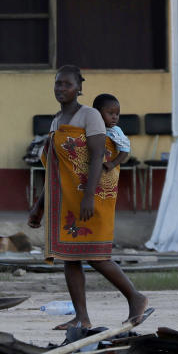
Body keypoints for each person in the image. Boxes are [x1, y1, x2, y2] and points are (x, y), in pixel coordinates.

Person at [28, 65, 152, 331]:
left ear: (79, 88)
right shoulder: (56, 121)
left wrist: (88, 196)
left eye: (67, 84)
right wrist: (39, 206)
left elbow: (97, 155)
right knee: (70, 258)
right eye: (58, 84)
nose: (61, 89)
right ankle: (81, 318)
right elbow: (53, 168)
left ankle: (135, 297)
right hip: (66, 199)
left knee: (97, 255)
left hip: (91, 195)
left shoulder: (90, 116)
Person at [93, 93, 130, 172]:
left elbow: (125, 150)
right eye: (110, 113)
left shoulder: (115, 131)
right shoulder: (90, 127)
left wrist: (113, 164)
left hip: (107, 169)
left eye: (117, 114)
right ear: (96, 113)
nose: (115, 117)